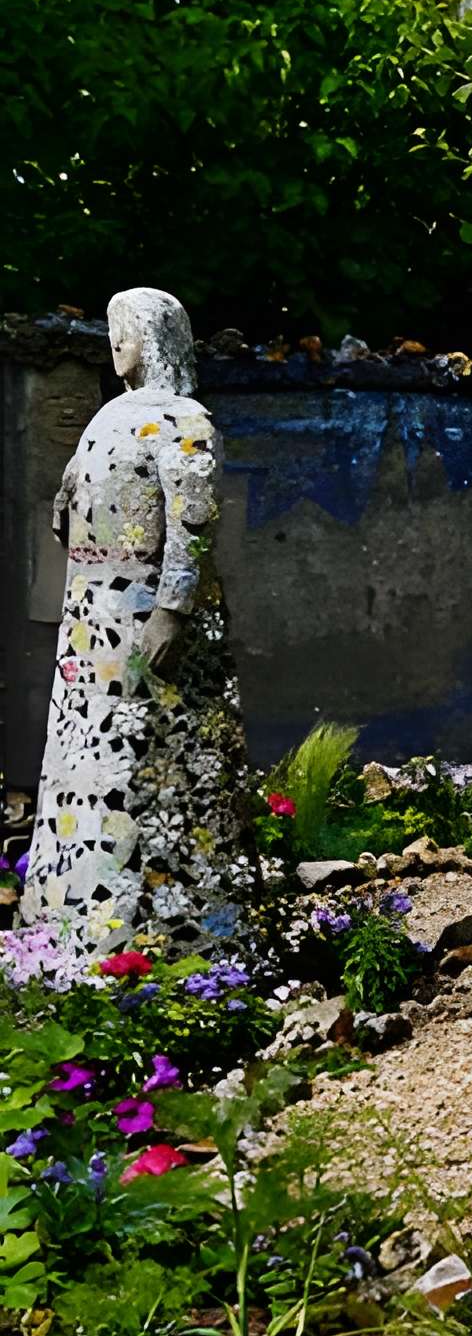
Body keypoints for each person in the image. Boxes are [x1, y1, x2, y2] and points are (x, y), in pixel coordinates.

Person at [25, 288, 250, 946]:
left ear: (155, 338)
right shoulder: (109, 417)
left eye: (126, 330)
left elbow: (194, 521)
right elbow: (72, 506)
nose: (116, 343)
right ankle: (75, 924)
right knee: (86, 763)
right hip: (90, 619)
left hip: (144, 612)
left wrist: (172, 609)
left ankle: (174, 929)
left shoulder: (184, 420)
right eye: (111, 331)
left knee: (160, 758)